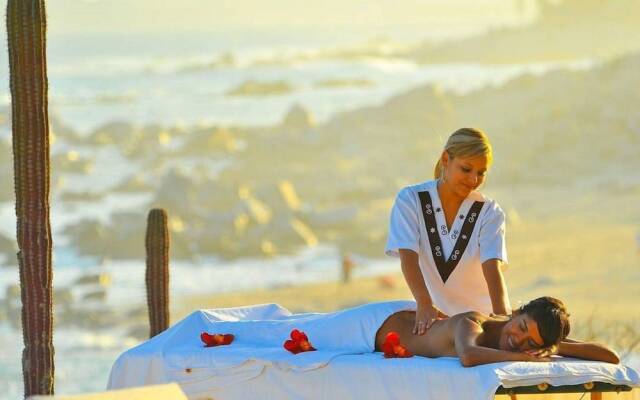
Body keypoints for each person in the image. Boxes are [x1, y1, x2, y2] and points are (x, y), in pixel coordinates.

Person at [386, 127, 510, 336]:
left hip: (483, 322)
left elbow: (493, 269)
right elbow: (408, 257)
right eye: (466, 169)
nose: (473, 180)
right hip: (436, 321)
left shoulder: (489, 211)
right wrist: (424, 304)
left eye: (481, 173)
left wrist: (502, 321)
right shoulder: (410, 200)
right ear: (446, 159)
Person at [375, 296, 619, 366]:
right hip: (375, 324)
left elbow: (611, 357)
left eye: (530, 343)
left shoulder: (532, 340)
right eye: (522, 327)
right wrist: (525, 357)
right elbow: (469, 355)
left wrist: (553, 347)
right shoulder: (473, 322)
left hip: (387, 336)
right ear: (515, 313)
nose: (518, 340)